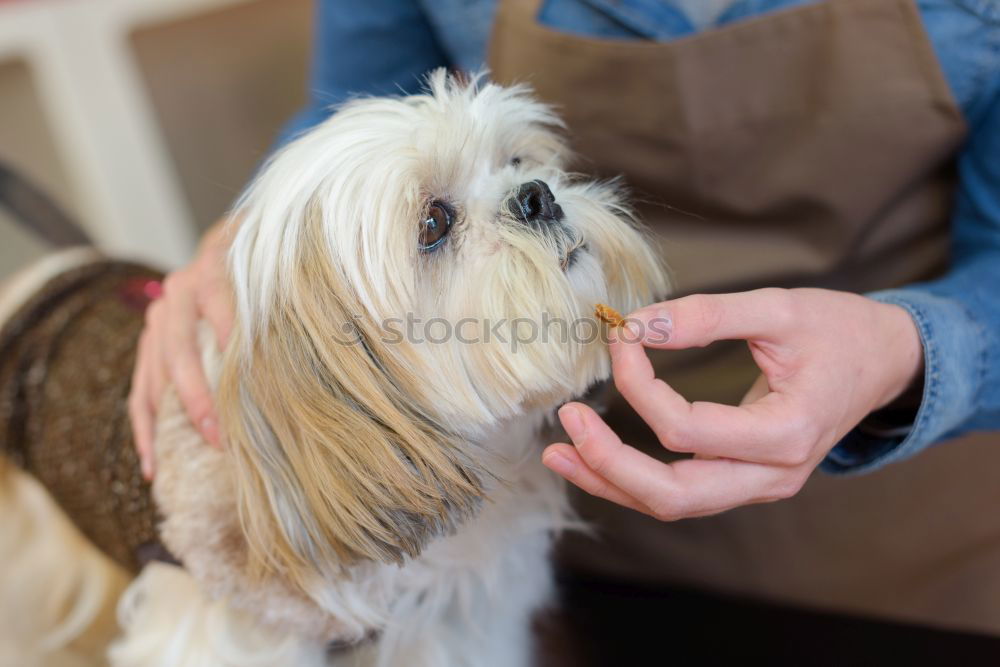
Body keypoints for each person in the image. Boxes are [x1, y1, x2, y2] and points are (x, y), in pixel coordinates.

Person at [130, 0, 1000, 632]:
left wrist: (906, 351)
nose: (530, 193)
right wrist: (253, 246)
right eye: (440, 222)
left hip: (916, 536)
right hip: (570, 523)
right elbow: (356, 108)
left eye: (519, 161)